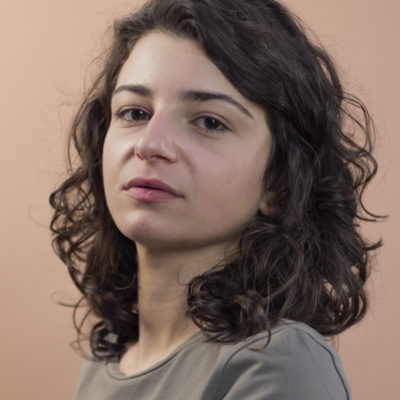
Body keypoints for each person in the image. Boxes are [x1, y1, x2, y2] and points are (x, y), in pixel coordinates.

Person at [49, 0, 383, 398]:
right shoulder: (107, 358)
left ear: (278, 181)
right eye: (134, 113)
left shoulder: (279, 360)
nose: (150, 145)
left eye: (209, 122)